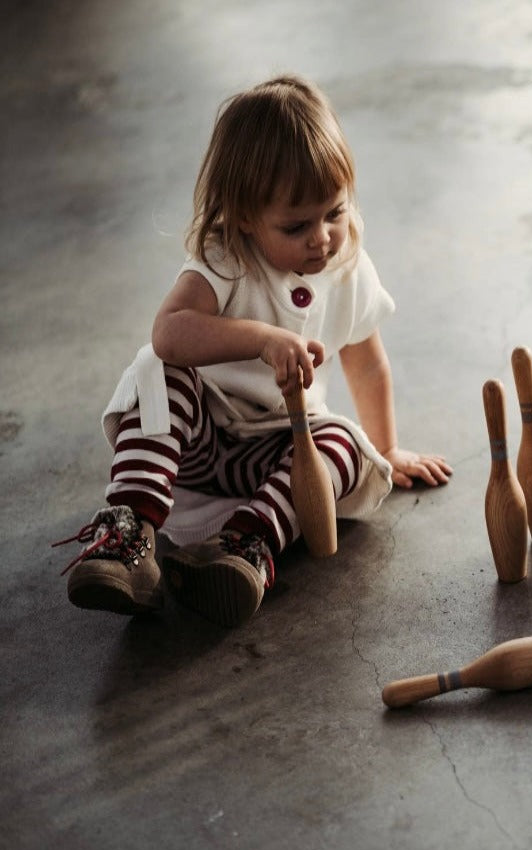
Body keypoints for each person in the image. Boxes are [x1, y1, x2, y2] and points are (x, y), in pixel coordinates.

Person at [55, 76, 451, 626]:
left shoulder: (347, 269)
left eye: (334, 212)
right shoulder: (226, 259)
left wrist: (389, 446)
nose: (322, 238)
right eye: (296, 225)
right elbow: (169, 332)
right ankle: (128, 538)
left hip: (276, 460)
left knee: (343, 442)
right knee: (157, 372)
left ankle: (245, 548)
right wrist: (263, 339)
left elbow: (367, 362)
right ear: (243, 216)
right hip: (195, 450)